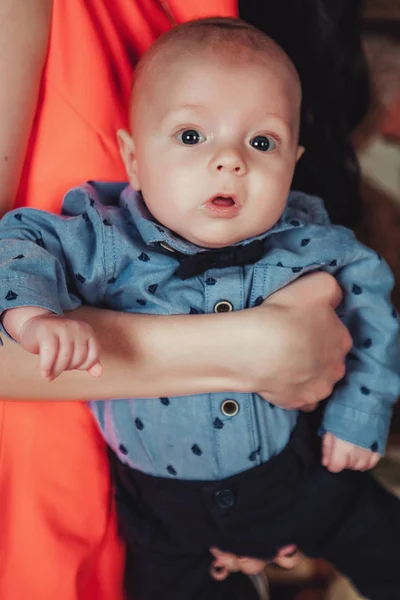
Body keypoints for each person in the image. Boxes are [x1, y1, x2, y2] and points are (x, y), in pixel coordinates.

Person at [1, 18, 399, 600]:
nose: (230, 161)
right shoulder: (105, 239)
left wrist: (359, 415)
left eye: (261, 143)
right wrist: (29, 316)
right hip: (161, 516)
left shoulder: (307, 241)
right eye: (192, 137)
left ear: (293, 162)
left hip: (299, 475)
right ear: (133, 161)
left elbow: (370, 296)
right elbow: (21, 240)